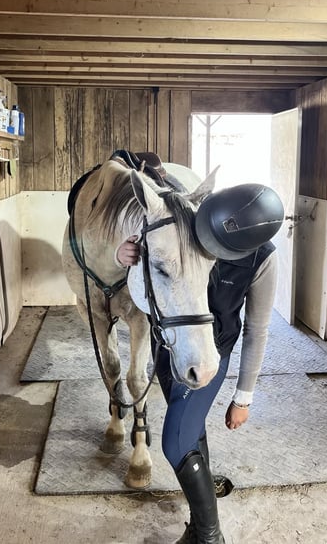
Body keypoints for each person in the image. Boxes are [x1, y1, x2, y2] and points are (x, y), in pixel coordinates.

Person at [115, 182, 285, 544]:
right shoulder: (193, 223)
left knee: (176, 443)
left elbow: (258, 329)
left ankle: (209, 537)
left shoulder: (263, 258)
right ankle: (198, 523)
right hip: (170, 346)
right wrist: (126, 254)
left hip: (211, 352)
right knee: (192, 432)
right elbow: (151, 262)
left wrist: (244, 397)